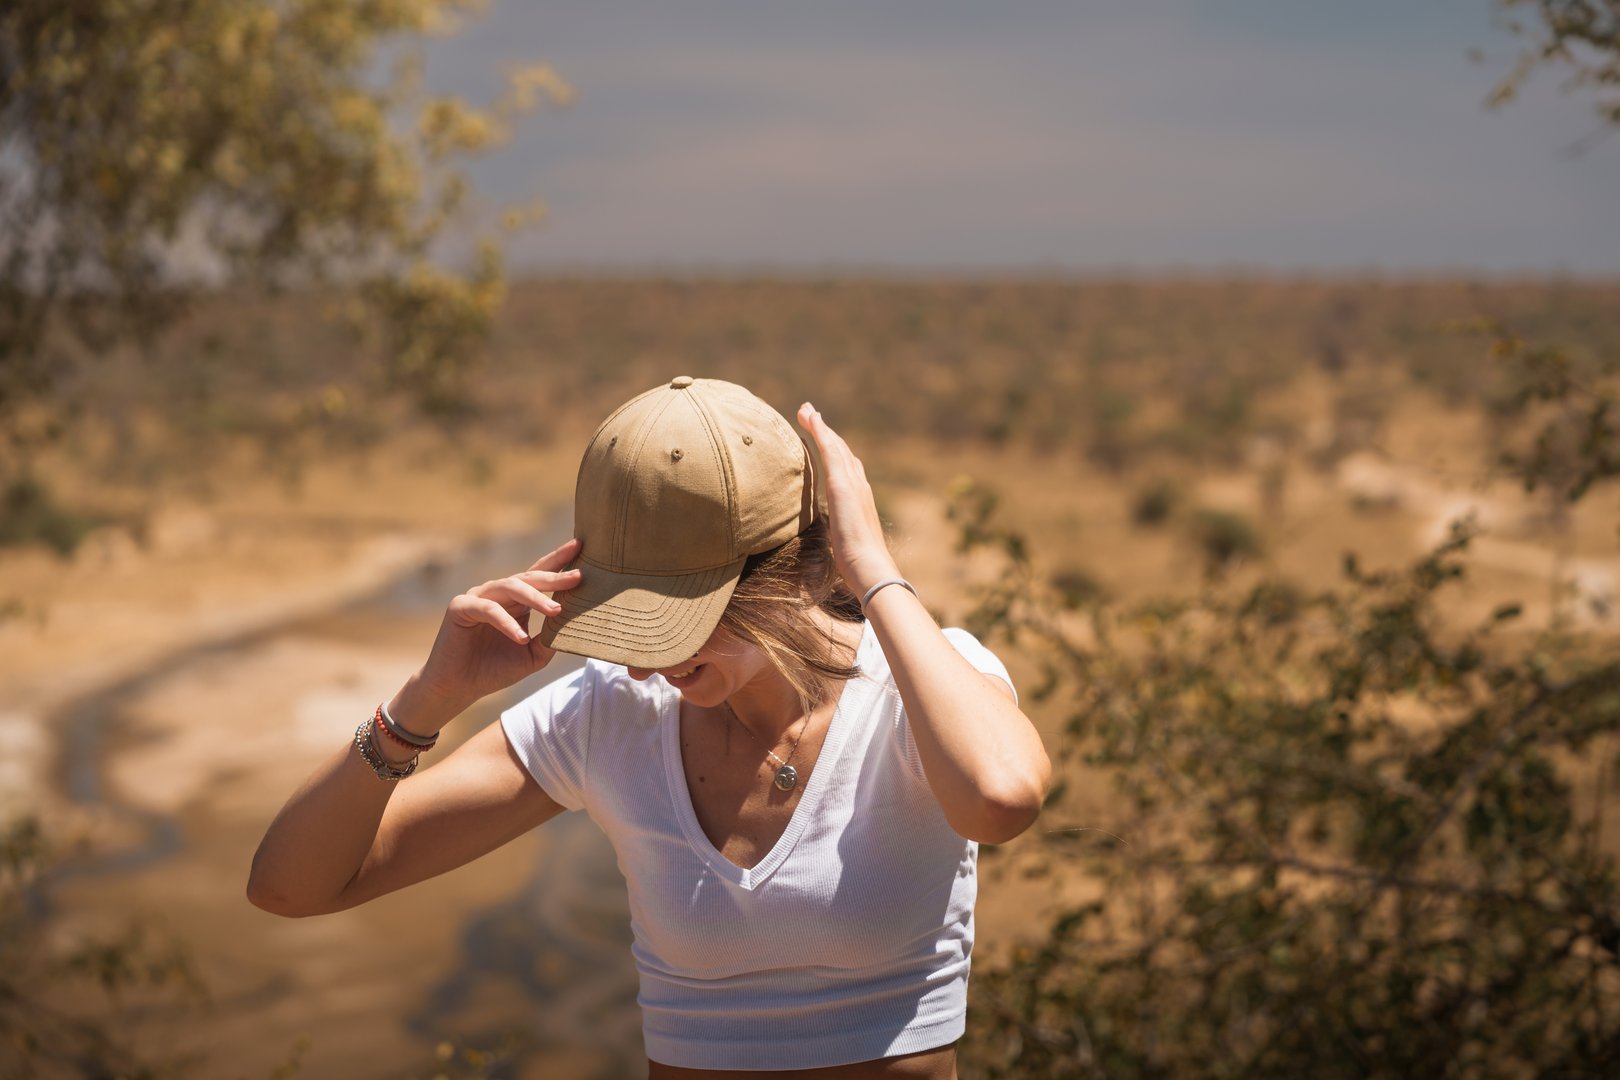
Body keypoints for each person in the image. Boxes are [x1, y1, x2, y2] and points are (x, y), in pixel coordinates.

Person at [248, 377, 1051, 1078]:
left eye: (675, 623)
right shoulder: (608, 716)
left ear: (794, 570)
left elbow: (1001, 799)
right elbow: (291, 887)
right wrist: (424, 701)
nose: (639, 664)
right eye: (620, 618)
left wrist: (873, 571)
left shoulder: (925, 683)